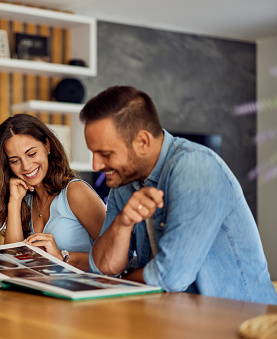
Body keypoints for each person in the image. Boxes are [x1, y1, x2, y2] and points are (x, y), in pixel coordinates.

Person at [80, 85, 277, 304]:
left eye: (105, 154)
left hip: (240, 322)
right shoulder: (123, 182)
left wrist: (124, 280)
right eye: (93, 152)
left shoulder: (195, 167)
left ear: (142, 142)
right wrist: (123, 222)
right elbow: (103, 268)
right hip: (174, 316)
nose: (96, 164)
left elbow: (171, 276)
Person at [0, 113, 106, 271]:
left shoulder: (75, 192)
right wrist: (14, 202)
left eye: (31, 154)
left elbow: (114, 259)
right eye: (15, 161)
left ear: (47, 146)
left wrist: (61, 256)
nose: (26, 166)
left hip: (86, 292)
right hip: (44, 292)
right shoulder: (26, 200)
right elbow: (11, 265)